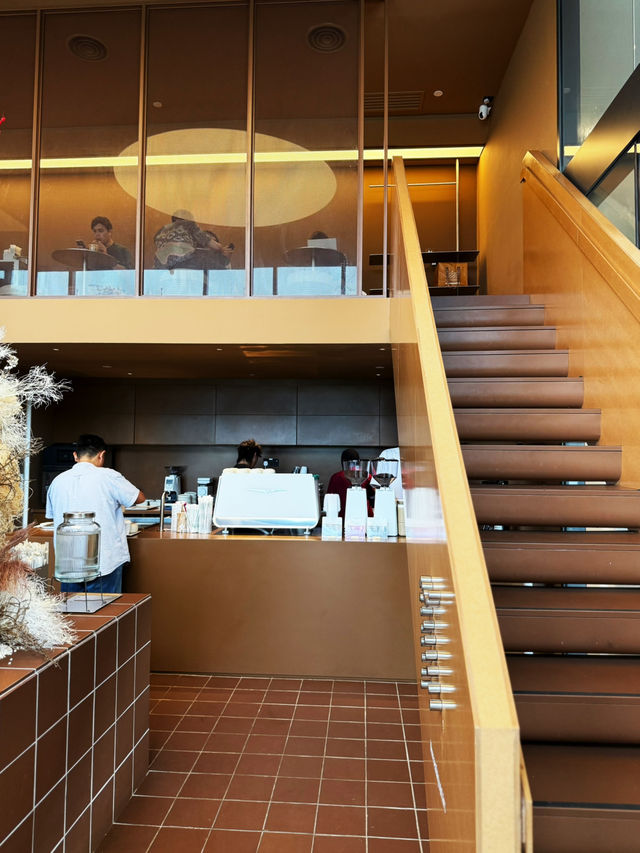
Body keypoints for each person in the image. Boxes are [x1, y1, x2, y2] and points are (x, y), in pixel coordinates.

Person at [46, 434, 144, 594]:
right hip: (103, 561)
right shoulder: (109, 476)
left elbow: (52, 515)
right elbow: (139, 498)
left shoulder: (57, 481)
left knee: (71, 614)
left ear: (75, 456)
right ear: (102, 455)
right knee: (106, 615)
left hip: (68, 565)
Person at [154, 209, 234, 270]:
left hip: (164, 264)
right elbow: (208, 241)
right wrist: (220, 249)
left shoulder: (162, 230)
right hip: (183, 262)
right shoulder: (190, 226)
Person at [326, 447, 373, 517]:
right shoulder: (366, 476)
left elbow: (330, 499)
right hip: (365, 516)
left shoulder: (336, 477)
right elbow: (373, 495)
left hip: (342, 518)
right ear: (358, 461)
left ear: (343, 462)